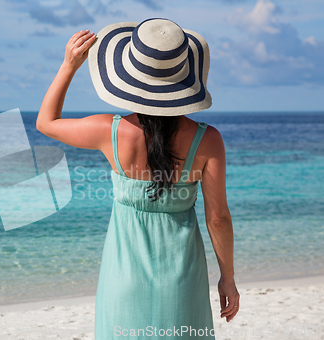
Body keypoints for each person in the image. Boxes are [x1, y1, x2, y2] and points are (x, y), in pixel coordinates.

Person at [36, 18, 239, 339]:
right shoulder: (208, 140)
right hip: (182, 281)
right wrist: (227, 277)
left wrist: (68, 66)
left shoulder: (110, 131)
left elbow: (46, 122)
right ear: (183, 77)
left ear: (130, 77)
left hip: (124, 280)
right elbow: (218, 218)